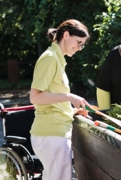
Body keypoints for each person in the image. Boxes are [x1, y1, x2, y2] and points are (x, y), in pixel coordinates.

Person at [29, 19, 91, 180]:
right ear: (66, 35)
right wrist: (68, 96)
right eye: (78, 42)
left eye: (82, 44)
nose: (79, 48)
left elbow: (53, 100)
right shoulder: (50, 58)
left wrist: (72, 110)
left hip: (56, 132)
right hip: (51, 134)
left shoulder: (57, 59)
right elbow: (35, 97)